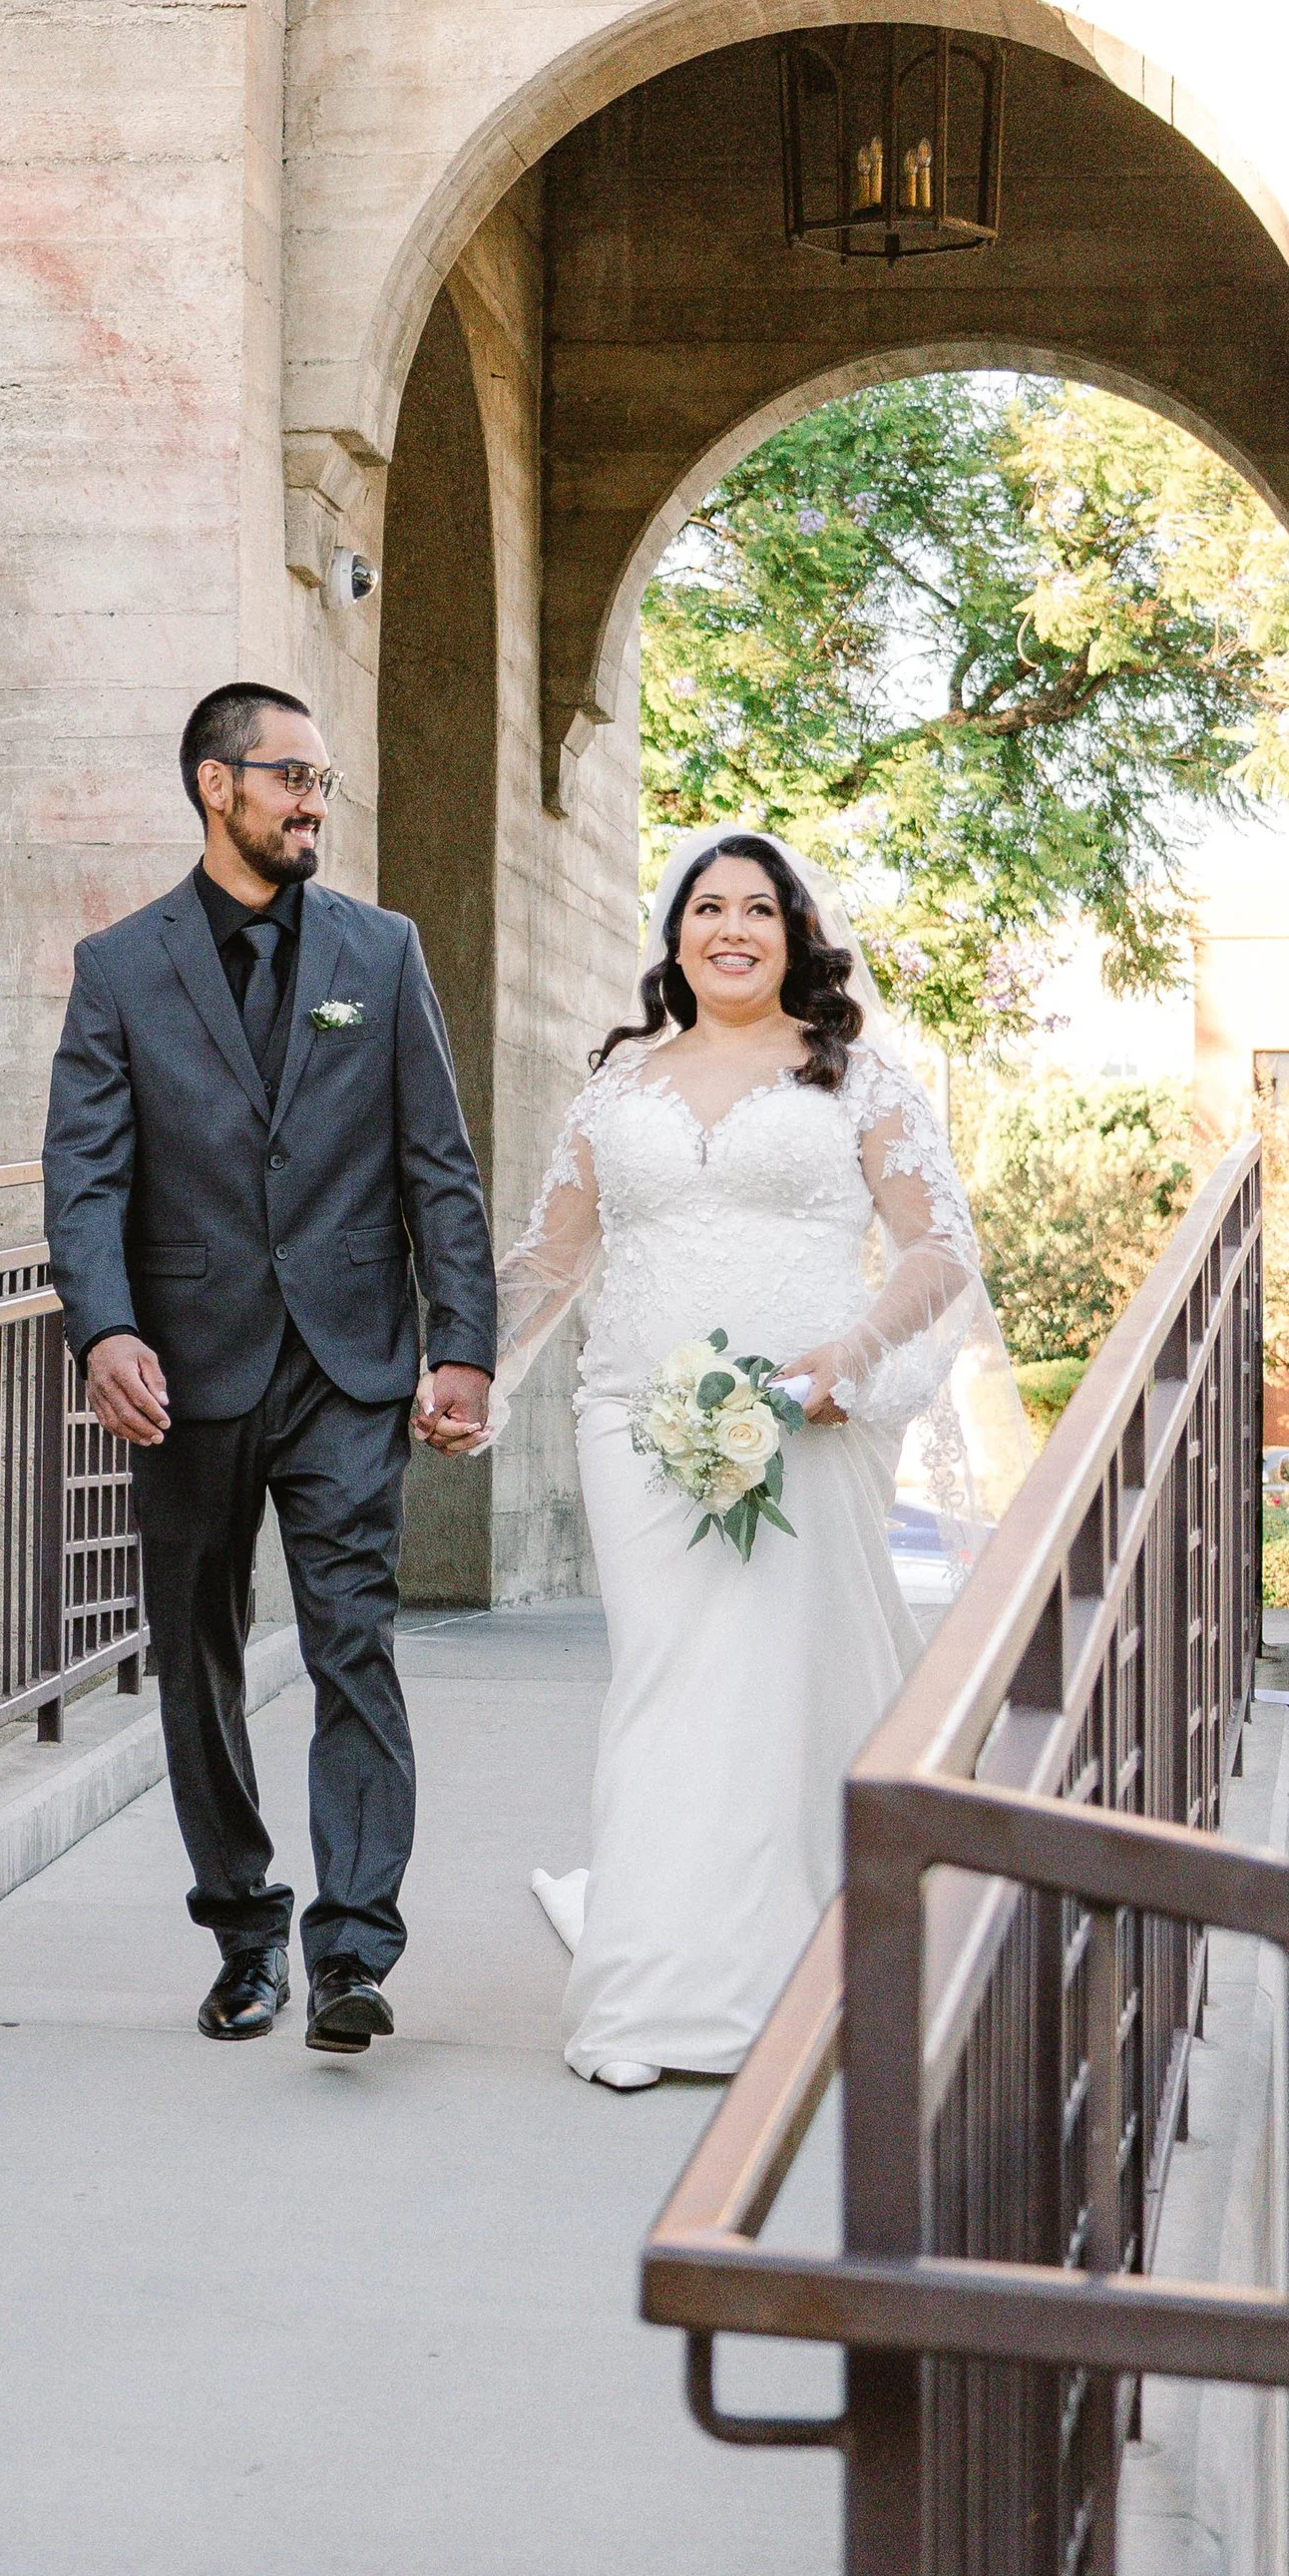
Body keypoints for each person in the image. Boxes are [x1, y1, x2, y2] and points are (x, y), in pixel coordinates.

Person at [488, 828, 1012, 2092]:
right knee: (670, 1683)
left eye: (758, 911)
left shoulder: (857, 1078)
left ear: (794, 936)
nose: (731, 929)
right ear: (672, 937)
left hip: (808, 1422)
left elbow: (938, 1251)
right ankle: (653, 1996)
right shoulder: (614, 1091)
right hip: (632, 1422)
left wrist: (852, 1351)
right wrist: (469, 1371)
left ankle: (812, 1959)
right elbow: (553, 1263)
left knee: (785, 1681)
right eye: (706, 908)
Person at [44, 681, 497, 2054]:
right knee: (195, 1654)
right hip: (185, 1367)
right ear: (214, 782)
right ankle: (244, 1930)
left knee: (353, 1636)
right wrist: (105, 1325)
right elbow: (85, 1169)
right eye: (289, 775)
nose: (311, 800)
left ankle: (355, 1946)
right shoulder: (121, 966)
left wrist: (461, 1342)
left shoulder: (382, 949)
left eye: (322, 780)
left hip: (345, 1361)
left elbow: (439, 1163)